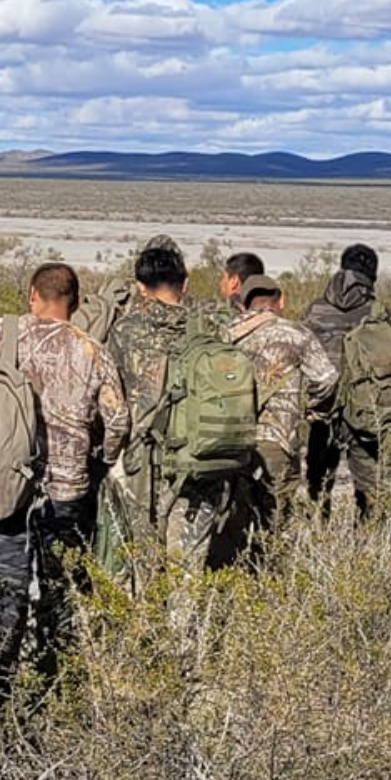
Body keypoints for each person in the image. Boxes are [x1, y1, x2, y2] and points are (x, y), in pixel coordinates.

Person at [0, 262, 129, 693]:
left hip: (4, 487)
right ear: (75, 300)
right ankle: (56, 687)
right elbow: (119, 420)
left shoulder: (3, 333)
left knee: (3, 591)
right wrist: (100, 464)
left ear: (32, 294)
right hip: (68, 489)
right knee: (63, 590)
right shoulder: (91, 349)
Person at [100, 236, 250, 573]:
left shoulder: (124, 332)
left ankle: (149, 626)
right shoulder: (215, 328)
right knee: (187, 575)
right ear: (185, 282)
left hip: (144, 469)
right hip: (201, 462)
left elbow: (114, 407)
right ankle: (183, 627)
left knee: (145, 570)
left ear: (140, 286)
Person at [218, 254, 337, 534]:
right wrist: (315, 409)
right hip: (278, 442)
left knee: (232, 525)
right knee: (273, 527)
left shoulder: (224, 334)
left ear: (243, 303)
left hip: (229, 440)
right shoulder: (297, 334)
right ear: (280, 300)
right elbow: (328, 378)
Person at [302, 242, 391, 521]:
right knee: (371, 491)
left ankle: (317, 544)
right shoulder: (385, 315)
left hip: (321, 410)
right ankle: (366, 550)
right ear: (372, 276)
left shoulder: (314, 311)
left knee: (318, 483)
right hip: (367, 413)